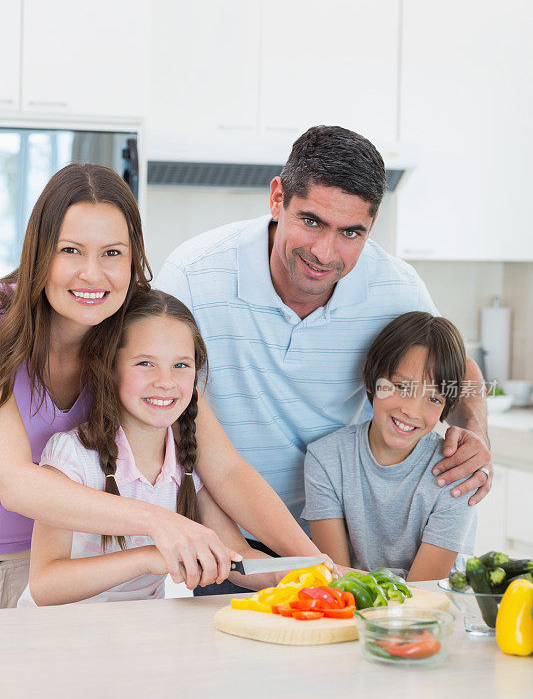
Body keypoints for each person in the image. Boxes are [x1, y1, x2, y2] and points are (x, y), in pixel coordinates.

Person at [155, 126, 491, 594]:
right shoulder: (193, 275)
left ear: (371, 227)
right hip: (233, 541)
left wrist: (474, 430)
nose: (325, 252)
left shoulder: (394, 285)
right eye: (311, 221)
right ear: (277, 198)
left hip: (342, 546)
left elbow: (460, 372)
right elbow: (176, 426)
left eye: (351, 232)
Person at [0, 163, 325, 608]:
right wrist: (158, 524)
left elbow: (225, 469)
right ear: (39, 252)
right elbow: (16, 484)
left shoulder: (137, 331)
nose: (92, 275)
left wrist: (317, 565)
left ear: (134, 257)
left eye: (112, 253)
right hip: (40, 571)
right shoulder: (3, 329)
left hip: (78, 565)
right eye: (71, 250)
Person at [19, 290, 294, 606]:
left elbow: (238, 557)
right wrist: (148, 557)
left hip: (140, 636)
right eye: (146, 363)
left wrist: (291, 573)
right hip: (59, 638)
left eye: (181, 365)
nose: (166, 381)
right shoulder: (72, 455)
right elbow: (45, 584)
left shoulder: (186, 462)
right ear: (110, 367)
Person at [302, 312, 477, 581]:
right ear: (371, 378)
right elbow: (335, 577)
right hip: (354, 610)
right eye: (401, 387)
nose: (411, 411)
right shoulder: (326, 459)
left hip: (433, 615)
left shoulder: (455, 473)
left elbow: (422, 595)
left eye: (433, 399)